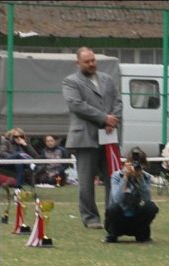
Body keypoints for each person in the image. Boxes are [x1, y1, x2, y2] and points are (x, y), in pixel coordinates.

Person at [62, 46, 122, 229]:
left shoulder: (108, 80)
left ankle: (113, 216)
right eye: (87, 61)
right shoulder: (71, 82)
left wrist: (113, 120)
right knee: (86, 182)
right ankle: (90, 218)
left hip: (109, 137)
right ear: (78, 63)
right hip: (85, 138)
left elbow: (118, 101)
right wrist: (104, 118)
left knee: (114, 179)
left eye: (93, 60)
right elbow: (76, 105)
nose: (91, 64)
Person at [103, 147, 158, 243]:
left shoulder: (146, 177)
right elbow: (117, 200)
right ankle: (112, 235)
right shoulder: (116, 176)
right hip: (118, 220)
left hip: (136, 221)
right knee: (113, 208)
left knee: (151, 207)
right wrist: (125, 178)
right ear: (127, 163)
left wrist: (140, 179)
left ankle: (142, 236)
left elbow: (147, 199)